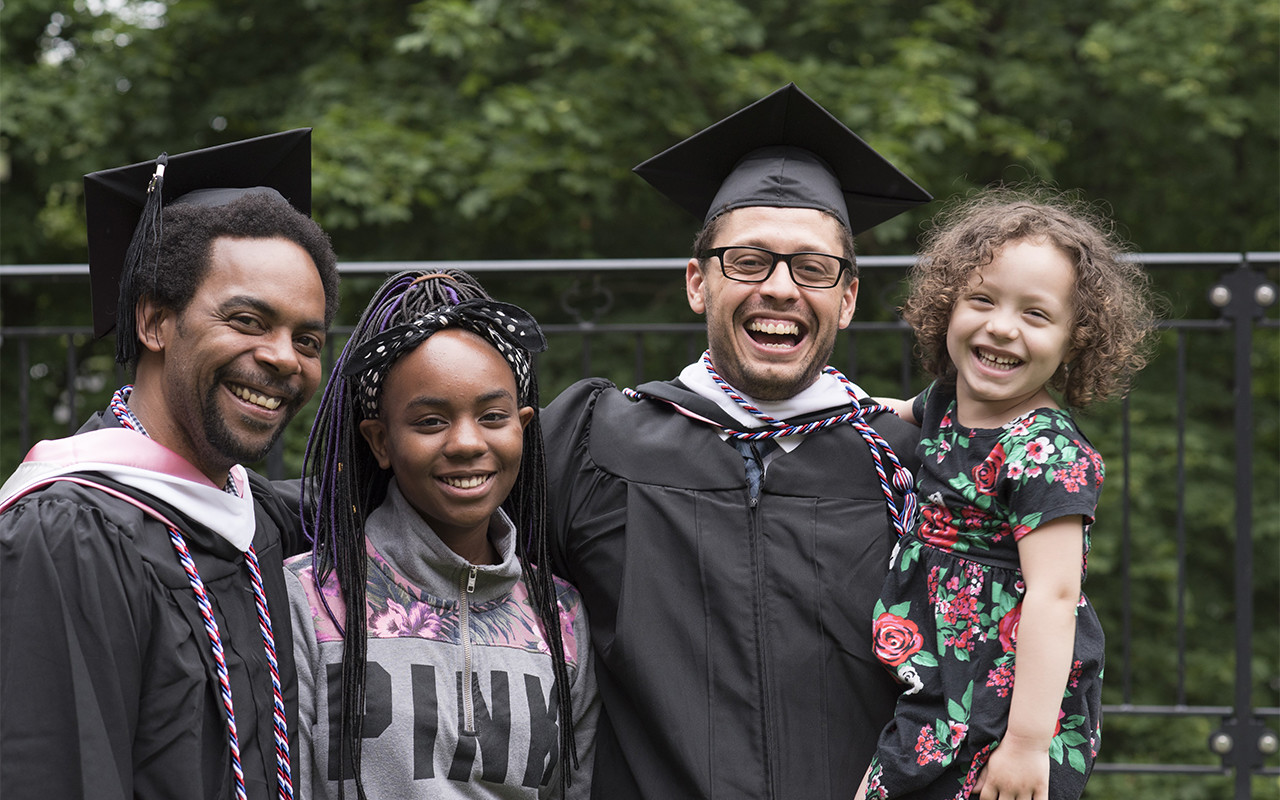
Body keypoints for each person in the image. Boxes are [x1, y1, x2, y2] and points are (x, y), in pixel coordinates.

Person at [542, 83, 931, 798]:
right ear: (698, 283)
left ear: (847, 299)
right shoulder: (596, 441)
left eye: (813, 267)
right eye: (748, 260)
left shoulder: (909, 468)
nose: (781, 288)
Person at [0, 130, 340, 800]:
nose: (283, 358)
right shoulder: (68, 534)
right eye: (247, 320)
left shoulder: (256, 518)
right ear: (155, 321)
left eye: (307, 339)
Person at [859, 189, 1159, 799]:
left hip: (1001, 694)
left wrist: (1026, 743)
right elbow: (915, 412)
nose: (1001, 326)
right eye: (982, 299)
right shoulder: (946, 402)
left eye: (1035, 314)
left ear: (1077, 340)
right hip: (937, 678)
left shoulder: (1045, 452)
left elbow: (1055, 596)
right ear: (948, 307)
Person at [285, 269, 598, 799]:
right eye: (430, 422)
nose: (467, 443)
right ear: (380, 441)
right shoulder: (309, 597)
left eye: (493, 416)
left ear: (522, 425)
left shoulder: (560, 615)